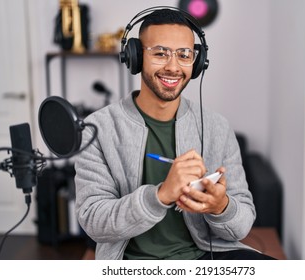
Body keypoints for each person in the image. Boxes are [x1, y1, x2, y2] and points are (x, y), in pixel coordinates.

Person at [74, 7, 274, 260]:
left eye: (184, 55)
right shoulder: (97, 129)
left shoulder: (217, 127)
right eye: (160, 53)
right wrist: (160, 195)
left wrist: (220, 207)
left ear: (198, 61)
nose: (173, 67)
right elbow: (93, 220)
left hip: (205, 256)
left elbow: (242, 223)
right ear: (135, 57)